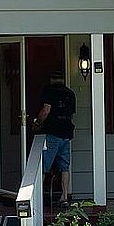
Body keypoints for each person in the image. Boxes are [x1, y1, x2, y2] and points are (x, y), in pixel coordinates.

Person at [31, 69, 76, 206]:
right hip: (66, 134)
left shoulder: (49, 92)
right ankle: (64, 197)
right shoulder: (70, 94)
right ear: (63, 80)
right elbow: (71, 114)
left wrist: (37, 123)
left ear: (51, 80)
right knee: (64, 167)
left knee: (44, 166)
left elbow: (46, 111)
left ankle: (38, 197)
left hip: (53, 133)